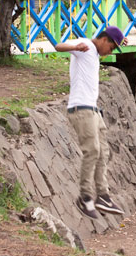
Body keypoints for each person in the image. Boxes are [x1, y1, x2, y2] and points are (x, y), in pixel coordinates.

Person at [54, 27, 127, 220]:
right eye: (110, 48)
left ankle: (103, 196)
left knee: (104, 151)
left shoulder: (95, 52)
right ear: (103, 40)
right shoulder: (85, 45)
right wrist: (73, 46)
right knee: (92, 150)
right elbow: (58, 46)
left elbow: (112, 40)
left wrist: (120, 40)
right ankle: (85, 197)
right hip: (80, 108)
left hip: (94, 110)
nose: (109, 53)